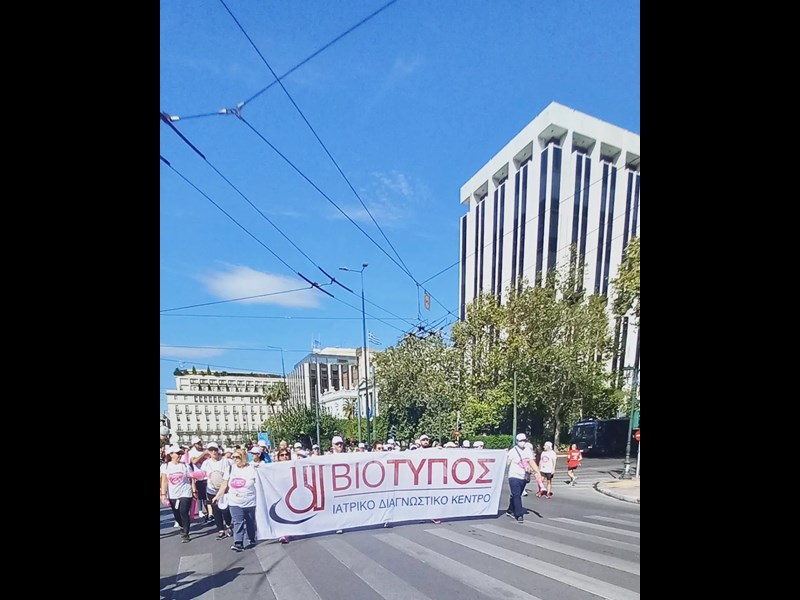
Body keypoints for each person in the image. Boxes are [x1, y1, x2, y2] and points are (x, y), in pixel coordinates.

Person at [212, 449, 258, 552]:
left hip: (250, 501)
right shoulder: (230, 469)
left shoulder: (251, 469)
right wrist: (217, 496)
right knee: (238, 522)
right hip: (234, 501)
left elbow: (257, 484)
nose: (235, 459)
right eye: (233, 457)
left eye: (237, 457)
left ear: (243, 457)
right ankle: (238, 543)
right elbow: (224, 485)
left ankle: (252, 537)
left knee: (250, 522)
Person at [160, 444, 197, 543]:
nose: (180, 455)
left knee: (184, 512)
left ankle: (186, 533)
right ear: (171, 454)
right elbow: (164, 480)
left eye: (181, 453)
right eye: (178, 453)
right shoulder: (166, 466)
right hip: (173, 494)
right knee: (176, 514)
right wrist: (163, 494)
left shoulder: (185, 465)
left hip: (185, 492)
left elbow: (191, 478)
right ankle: (182, 525)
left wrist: (194, 490)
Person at [506, 433, 538, 522]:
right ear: (517, 442)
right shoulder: (512, 451)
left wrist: (536, 471)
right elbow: (507, 463)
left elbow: (531, 461)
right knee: (517, 495)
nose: (523, 442)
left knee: (516, 495)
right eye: (521, 441)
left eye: (524, 440)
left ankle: (510, 510)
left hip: (524, 476)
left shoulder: (528, 450)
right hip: (514, 475)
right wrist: (505, 456)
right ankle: (519, 514)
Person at [204, 442, 233, 540]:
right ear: (208, 452)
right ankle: (220, 529)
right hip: (212, 489)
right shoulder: (206, 463)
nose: (213, 452)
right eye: (211, 450)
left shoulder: (225, 461)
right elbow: (202, 474)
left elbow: (229, 474)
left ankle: (228, 525)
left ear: (218, 450)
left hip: (224, 489)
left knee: (225, 510)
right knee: (216, 510)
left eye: (215, 450)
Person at [188, 436, 212, 524]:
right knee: (203, 497)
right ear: (194, 445)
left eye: (200, 442)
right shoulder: (192, 452)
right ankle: (208, 513)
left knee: (209, 495)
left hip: (208, 476)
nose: (200, 444)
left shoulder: (205, 450)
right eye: (198, 443)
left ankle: (211, 514)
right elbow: (194, 461)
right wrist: (204, 454)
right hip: (199, 477)